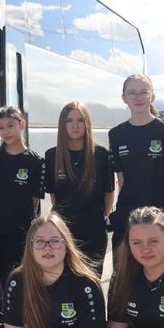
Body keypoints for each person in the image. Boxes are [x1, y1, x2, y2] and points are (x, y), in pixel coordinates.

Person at [107, 74, 164, 253]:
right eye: (132, 93)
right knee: (125, 266)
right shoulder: (116, 134)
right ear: (124, 98)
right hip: (128, 212)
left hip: (162, 213)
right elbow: (121, 177)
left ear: (152, 96)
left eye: (143, 92)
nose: (138, 97)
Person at [44, 102, 114, 277]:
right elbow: (54, 198)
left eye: (80, 120)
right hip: (63, 233)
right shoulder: (52, 155)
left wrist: (99, 217)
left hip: (93, 232)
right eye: (69, 120)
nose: (75, 125)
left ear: (87, 123)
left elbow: (109, 194)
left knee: (92, 282)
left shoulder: (101, 155)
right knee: (63, 282)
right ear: (62, 124)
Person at [0, 106, 46, 276]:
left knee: (17, 278)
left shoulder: (36, 162)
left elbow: (34, 202)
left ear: (22, 125)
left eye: (10, 125)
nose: (6, 131)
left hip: (20, 234)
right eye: (1, 127)